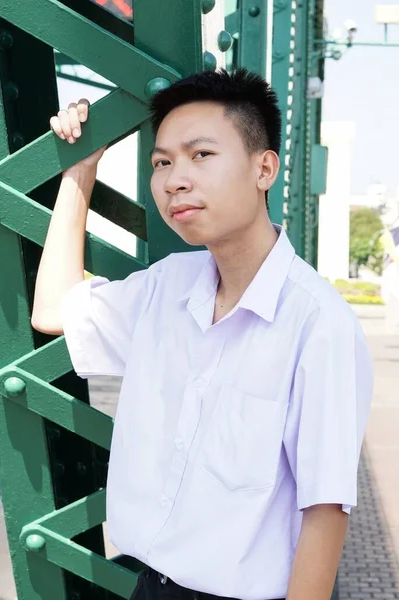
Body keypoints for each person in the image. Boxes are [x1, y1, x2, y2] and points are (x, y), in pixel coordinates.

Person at [32, 69, 373, 600]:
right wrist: (80, 171)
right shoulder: (167, 287)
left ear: (264, 168)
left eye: (201, 156)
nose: (174, 180)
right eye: (161, 162)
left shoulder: (318, 323)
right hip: (149, 585)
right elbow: (53, 308)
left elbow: (325, 511)